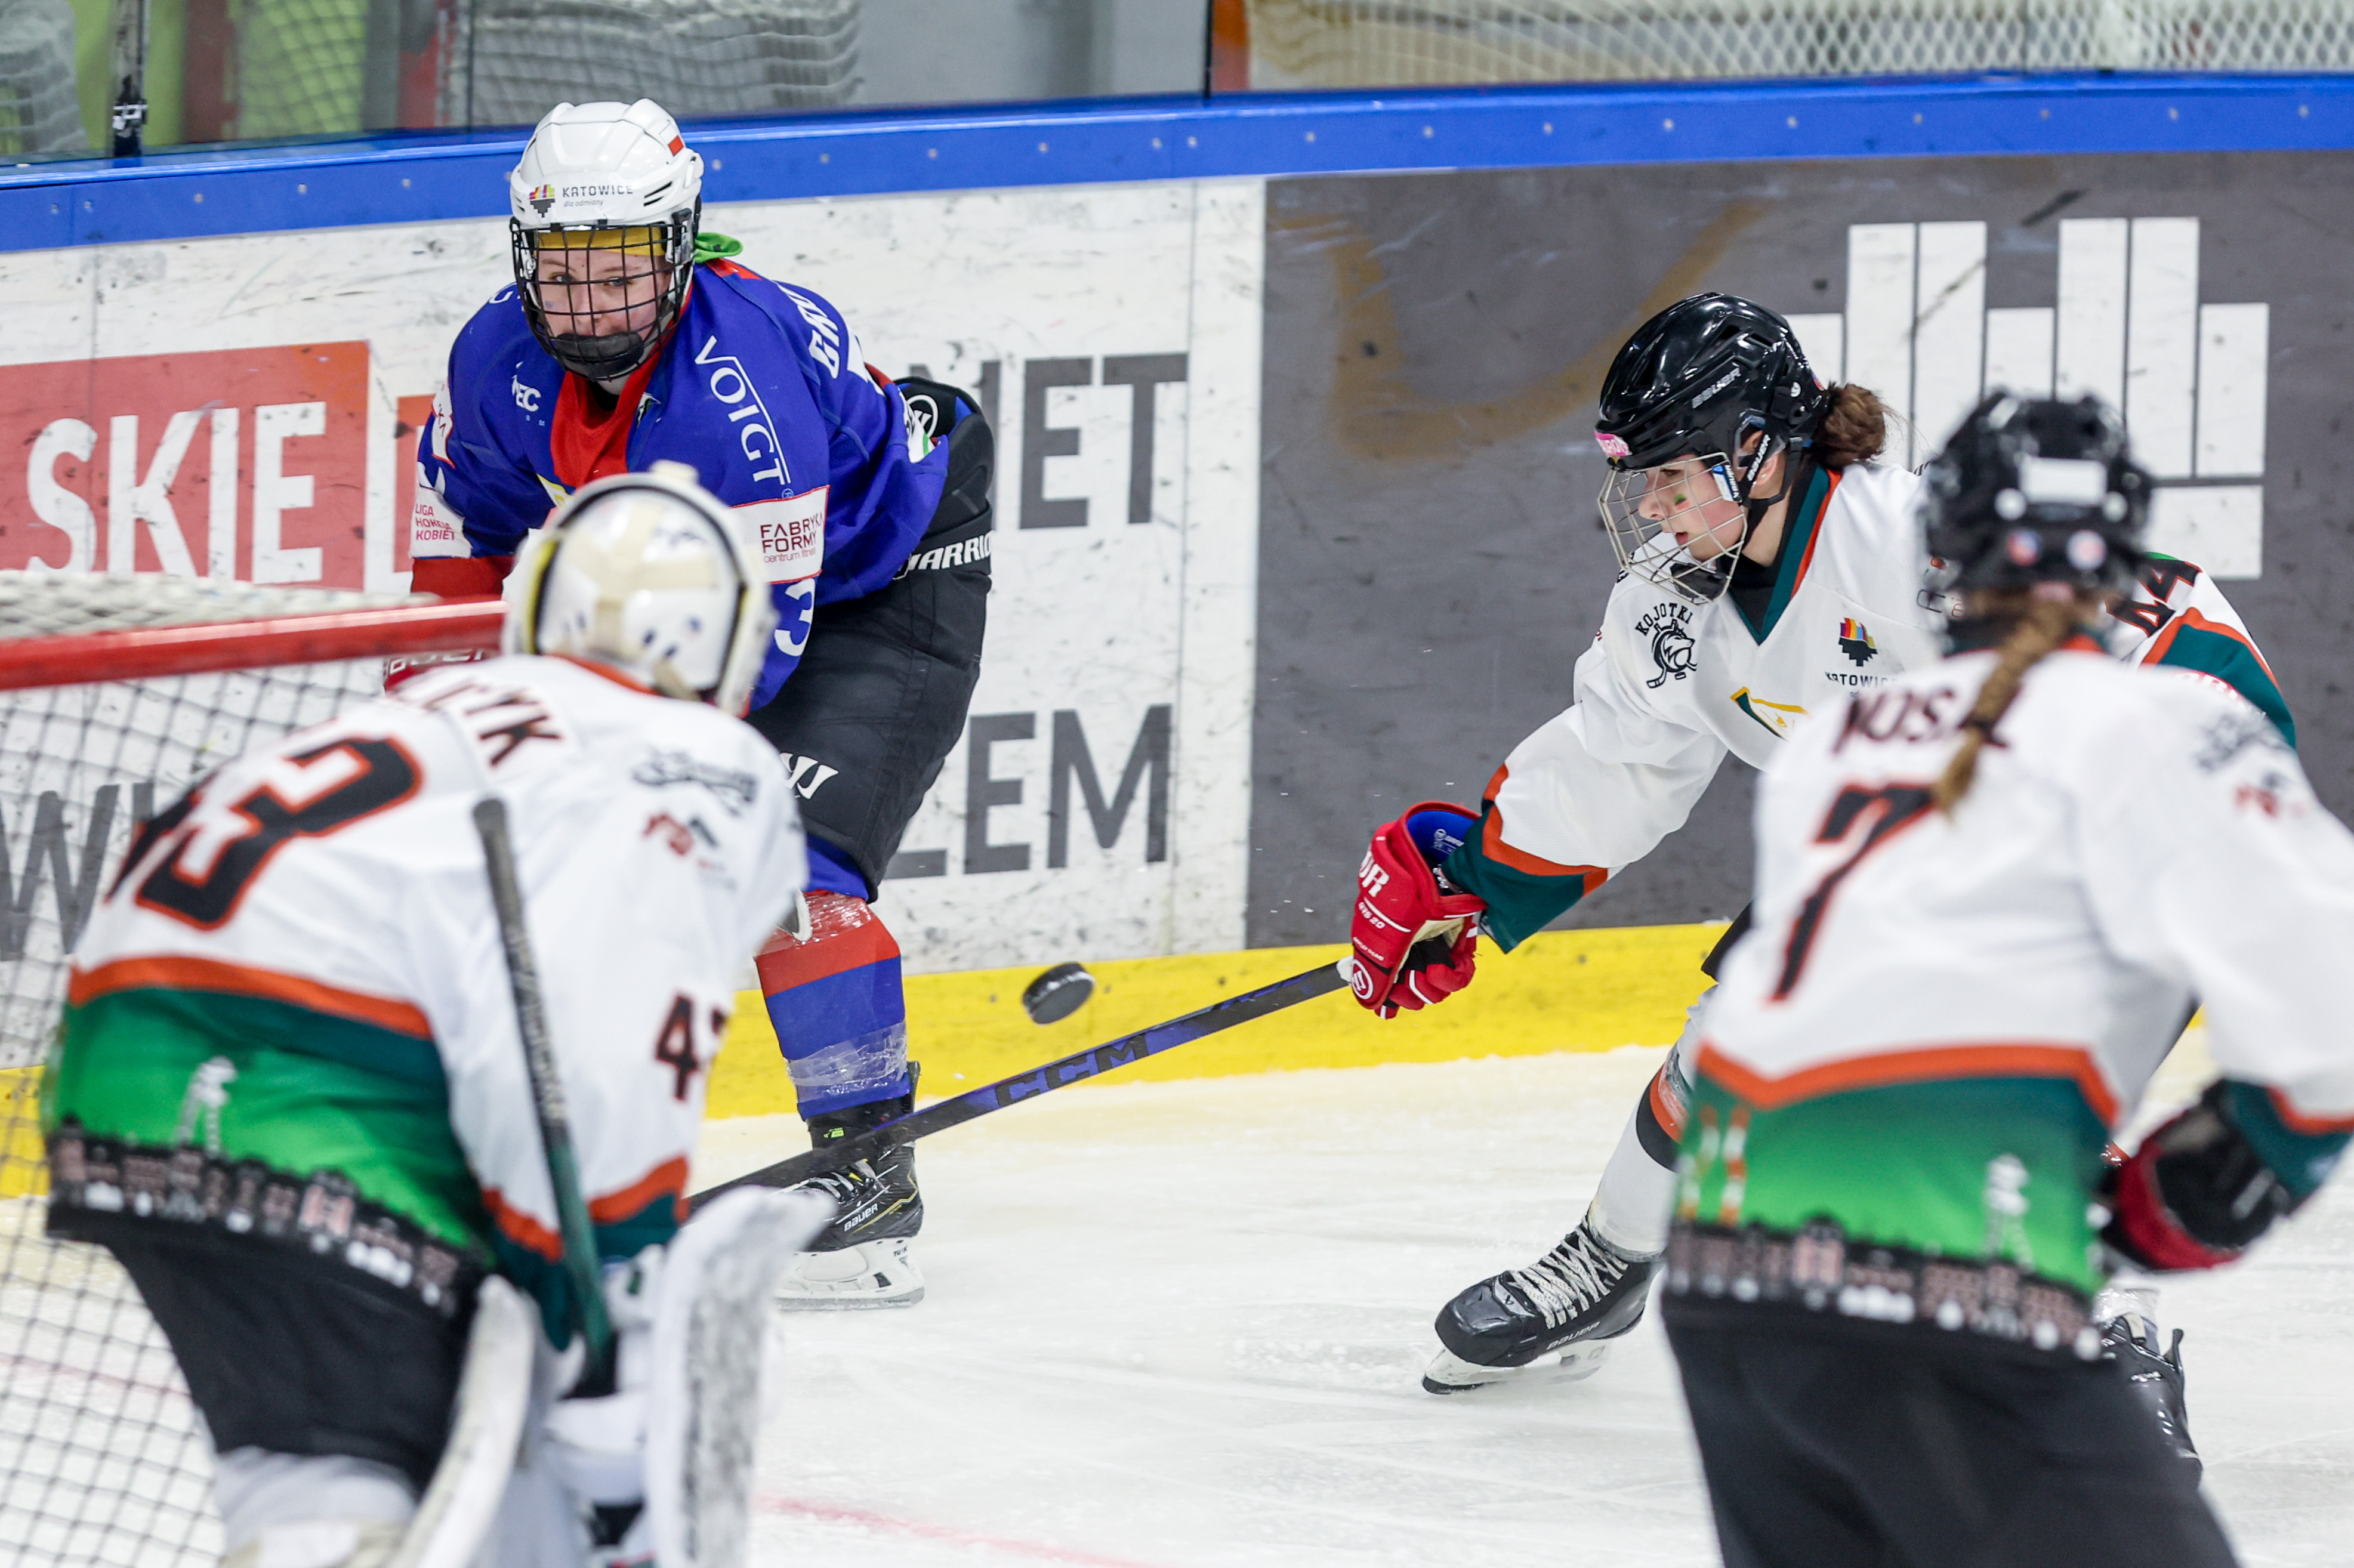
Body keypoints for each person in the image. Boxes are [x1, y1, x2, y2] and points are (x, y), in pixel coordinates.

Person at [1342, 293, 2294, 1397]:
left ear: (1756, 451)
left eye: (1671, 476)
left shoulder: (1922, 542)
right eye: (1642, 480)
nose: (1650, 507)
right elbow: (1615, 766)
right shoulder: (1672, 607)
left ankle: (2114, 1343)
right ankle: (1609, 1261)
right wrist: (1471, 879)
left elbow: (2183, 635)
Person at [46, 467, 807, 1566]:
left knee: (332, 1472)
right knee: (382, 1499)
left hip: (120, 1055)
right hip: (307, 1068)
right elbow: (597, 1058)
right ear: (732, 644)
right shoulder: (697, 759)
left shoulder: (454, 707)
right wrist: (610, 1313)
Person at [1656, 393, 2354, 1567]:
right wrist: (2187, 1199)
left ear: (1940, 549)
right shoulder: (2174, 722)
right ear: (2120, 556)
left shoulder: (1832, 743)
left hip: (1722, 1275)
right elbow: (2326, 1028)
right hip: (1942, 1283)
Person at [410, 98, 994, 1307]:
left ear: (681, 246)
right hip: (696, 593)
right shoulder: (491, 359)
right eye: (561, 268)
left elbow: (757, 654)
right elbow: (467, 548)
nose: (590, 303)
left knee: (786, 868)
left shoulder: (739, 388)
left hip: (882, 581)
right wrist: (446, 734)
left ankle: (869, 1170)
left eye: (621, 265)